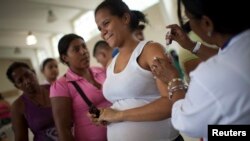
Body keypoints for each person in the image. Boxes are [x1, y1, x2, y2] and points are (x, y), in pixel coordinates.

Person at [151, 0, 250, 141]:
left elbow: (187, 124)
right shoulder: (239, 50)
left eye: (188, 19)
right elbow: (227, 58)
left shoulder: (209, 73)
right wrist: (191, 46)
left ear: (207, 23)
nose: (188, 25)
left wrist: (174, 81)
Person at [93, 0, 181, 141]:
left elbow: (172, 103)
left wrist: (119, 115)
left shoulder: (150, 50)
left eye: (106, 23)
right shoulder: (110, 64)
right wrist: (106, 115)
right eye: (99, 28)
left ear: (125, 19)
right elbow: (124, 103)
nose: (103, 32)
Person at [50, 33, 111, 141]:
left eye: (84, 46)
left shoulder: (101, 71)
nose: (84, 52)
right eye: (76, 49)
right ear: (65, 58)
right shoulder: (61, 86)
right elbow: (64, 129)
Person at [6, 62, 58, 141]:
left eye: (27, 75)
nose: (27, 81)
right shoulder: (18, 106)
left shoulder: (55, 89)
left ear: (33, 73)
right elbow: (21, 139)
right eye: (20, 81)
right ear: (17, 86)